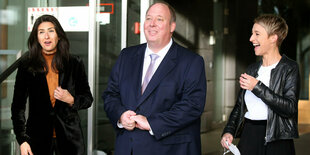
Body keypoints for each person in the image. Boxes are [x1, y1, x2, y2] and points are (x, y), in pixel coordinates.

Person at [103, 2, 206, 155]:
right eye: (148, 18)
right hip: (127, 148)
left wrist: (152, 123)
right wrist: (120, 115)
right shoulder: (127, 56)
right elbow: (111, 94)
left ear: (172, 27)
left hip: (169, 149)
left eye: (159, 19)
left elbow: (192, 105)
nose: (152, 24)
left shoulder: (191, 61)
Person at [11, 15, 93, 155]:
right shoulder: (27, 66)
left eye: (51, 31)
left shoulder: (74, 63)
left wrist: (71, 100)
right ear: (36, 37)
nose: (46, 36)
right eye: (41, 32)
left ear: (59, 35)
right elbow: (18, 106)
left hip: (70, 139)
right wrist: (22, 140)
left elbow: (87, 99)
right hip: (37, 139)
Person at [220, 14, 300, 155]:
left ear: (273, 37)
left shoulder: (289, 68)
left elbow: (289, 108)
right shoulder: (252, 69)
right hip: (249, 135)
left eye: (257, 34)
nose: (251, 39)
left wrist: (257, 87)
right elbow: (239, 106)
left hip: (277, 139)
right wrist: (229, 131)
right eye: (252, 34)